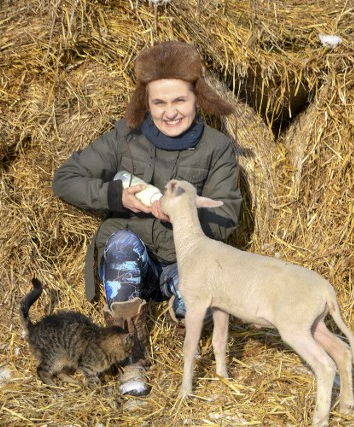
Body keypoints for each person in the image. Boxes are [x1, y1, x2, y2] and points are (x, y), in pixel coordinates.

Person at [52, 40, 243, 397]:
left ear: (196, 98)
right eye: (159, 102)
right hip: (132, 252)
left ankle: (182, 320)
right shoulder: (125, 137)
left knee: (194, 289)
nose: (170, 112)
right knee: (120, 244)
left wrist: (180, 215)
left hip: (181, 260)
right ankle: (131, 362)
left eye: (179, 101)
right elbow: (65, 179)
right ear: (146, 102)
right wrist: (116, 195)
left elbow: (227, 214)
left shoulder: (216, 148)